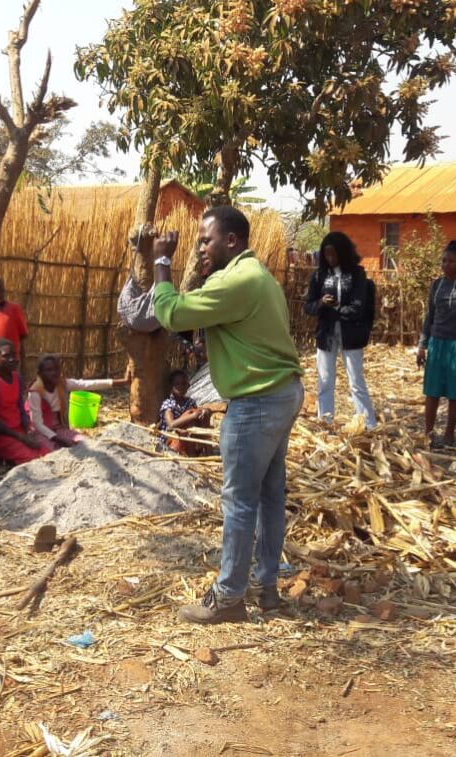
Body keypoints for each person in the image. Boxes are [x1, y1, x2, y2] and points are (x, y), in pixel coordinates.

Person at [152, 206, 304, 624]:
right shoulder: (259, 277)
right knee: (270, 495)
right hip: (282, 393)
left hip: (256, 402)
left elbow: (172, 313)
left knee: (239, 500)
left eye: (206, 240)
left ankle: (229, 597)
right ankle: (266, 587)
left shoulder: (236, 280)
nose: (200, 247)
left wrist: (162, 263)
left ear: (231, 241)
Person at [303, 231, 377, 429]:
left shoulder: (356, 275)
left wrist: (334, 309)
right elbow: (308, 306)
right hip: (326, 334)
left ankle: (368, 424)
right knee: (325, 380)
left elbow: (358, 307)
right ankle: (326, 422)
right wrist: (320, 303)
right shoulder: (319, 276)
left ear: (343, 253)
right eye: (326, 254)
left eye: (333, 254)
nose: (330, 258)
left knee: (356, 380)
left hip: (351, 334)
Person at [417, 239, 456, 448]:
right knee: (431, 391)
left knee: (454, 392)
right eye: (443, 261)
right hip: (437, 343)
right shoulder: (437, 285)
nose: (445, 265)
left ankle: (449, 433)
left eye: (450, 261)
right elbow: (429, 317)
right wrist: (422, 346)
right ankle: (428, 432)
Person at [27, 355, 129, 450]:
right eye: (49, 370)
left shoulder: (63, 384)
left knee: (85, 443)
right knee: (52, 451)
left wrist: (122, 382)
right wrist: (58, 439)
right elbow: (38, 424)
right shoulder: (35, 392)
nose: (54, 373)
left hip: (59, 429)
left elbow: (87, 384)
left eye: (57, 369)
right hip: (42, 432)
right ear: (40, 373)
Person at [0, 340, 46, 464]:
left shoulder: (17, 378)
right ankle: (3, 457)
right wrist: (21, 437)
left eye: (14, 355)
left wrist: (27, 430)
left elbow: (20, 408)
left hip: (18, 431)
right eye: (6, 356)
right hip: (1, 436)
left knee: (46, 451)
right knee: (34, 459)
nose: (12, 359)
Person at [158, 369, 213, 457]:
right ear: (171, 387)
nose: (181, 387)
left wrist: (204, 413)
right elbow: (171, 425)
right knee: (189, 421)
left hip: (188, 439)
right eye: (177, 384)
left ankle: (209, 454)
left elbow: (200, 417)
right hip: (172, 440)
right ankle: (192, 455)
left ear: (188, 386)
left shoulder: (190, 402)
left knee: (203, 414)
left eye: (183, 384)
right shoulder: (168, 403)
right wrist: (192, 416)